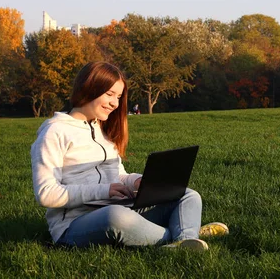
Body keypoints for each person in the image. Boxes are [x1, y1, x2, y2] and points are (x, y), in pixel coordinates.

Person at [30, 61, 228, 249]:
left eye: (118, 97)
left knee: (186, 194)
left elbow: (117, 175)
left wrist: (137, 182)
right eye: (110, 94)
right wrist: (105, 191)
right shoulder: (54, 132)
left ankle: (184, 240)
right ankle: (185, 234)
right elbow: (47, 194)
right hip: (76, 224)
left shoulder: (101, 129)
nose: (115, 103)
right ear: (89, 87)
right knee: (115, 217)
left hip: (122, 207)